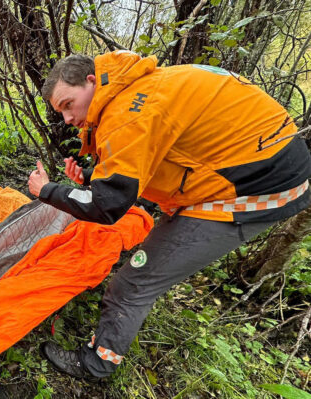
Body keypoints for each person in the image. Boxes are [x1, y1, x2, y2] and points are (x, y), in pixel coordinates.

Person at [28, 51, 311, 379]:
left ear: (91, 81)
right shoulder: (138, 89)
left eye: (67, 104)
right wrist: (93, 177)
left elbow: (106, 207)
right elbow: (153, 156)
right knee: (148, 262)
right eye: (60, 111)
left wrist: (47, 190)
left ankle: (96, 364)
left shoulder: (128, 112)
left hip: (256, 189)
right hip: (251, 166)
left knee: (133, 283)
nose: (67, 118)